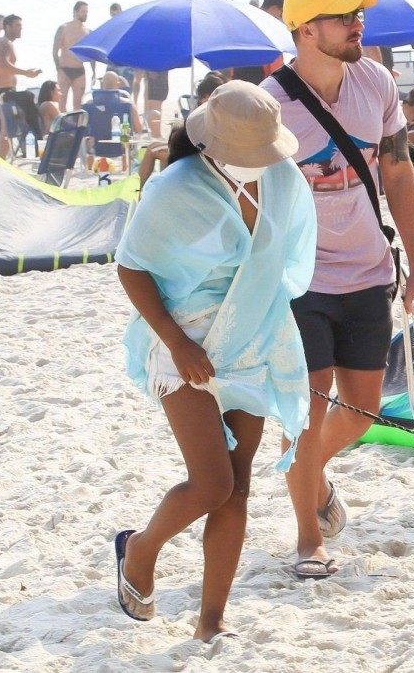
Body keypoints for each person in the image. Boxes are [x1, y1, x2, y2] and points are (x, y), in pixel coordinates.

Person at [112, 81, 315, 641]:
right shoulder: (174, 186)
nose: (262, 160)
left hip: (252, 337)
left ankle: (211, 622)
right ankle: (140, 550)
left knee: (239, 485)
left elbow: (285, 259)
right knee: (211, 483)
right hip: (185, 342)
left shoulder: (281, 176)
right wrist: (178, 343)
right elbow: (131, 267)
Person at [259, 0, 414, 577]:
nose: (357, 25)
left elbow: (399, 173)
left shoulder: (377, 83)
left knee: (362, 410)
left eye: (358, 16)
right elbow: (247, 199)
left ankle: (308, 471)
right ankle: (308, 538)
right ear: (306, 30)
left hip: (368, 270)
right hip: (301, 279)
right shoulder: (270, 104)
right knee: (306, 412)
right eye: (343, 17)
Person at [138, 73, 227, 188]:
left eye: (203, 96)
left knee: (156, 152)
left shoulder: (207, 114)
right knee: (154, 147)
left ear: (207, 96)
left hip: (199, 156)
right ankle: (144, 190)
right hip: (198, 153)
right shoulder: (218, 112)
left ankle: (149, 190)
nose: (201, 100)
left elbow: (194, 140)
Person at [0, 15, 44, 156]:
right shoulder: (4, 43)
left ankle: (3, 158)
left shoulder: (4, 43)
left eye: (21, 25)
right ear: (7, 27)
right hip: (4, 91)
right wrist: (26, 73)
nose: (20, 28)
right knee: (29, 98)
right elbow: (3, 64)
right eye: (17, 25)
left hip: (4, 91)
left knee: (5, 129)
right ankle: (38, 140)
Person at [53, 2, 91, 111]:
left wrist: (94, 71)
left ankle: (77, 122)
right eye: (83, 11)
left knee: (78, 105)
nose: (85, 14)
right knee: (62, 103)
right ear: (75, 12)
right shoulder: (63, 28)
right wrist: (58, 68)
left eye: (86, 12)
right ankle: (62, 122)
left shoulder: (87, 31)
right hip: (65, 70)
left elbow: (91, 53)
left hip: (79, 71)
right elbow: (55, 50)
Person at [143, 70, 169, 137]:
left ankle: (156, 135)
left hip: (157, 79)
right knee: (153, 108)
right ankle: (155, 135)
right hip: (156, 79)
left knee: (154, 108)